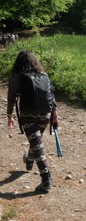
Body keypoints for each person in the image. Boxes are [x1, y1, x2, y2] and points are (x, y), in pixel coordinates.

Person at [6, 50, 59, 192]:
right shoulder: (44, 74)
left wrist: (9, 116)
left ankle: (46, 178)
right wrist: (54, 115)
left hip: (28, 114)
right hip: (46, 113)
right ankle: (29, 159)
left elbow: (11, 96)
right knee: (36, 142)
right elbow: (51, 95)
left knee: (36, 143)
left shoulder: (17, 75)